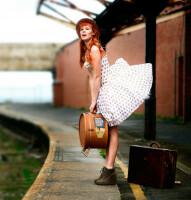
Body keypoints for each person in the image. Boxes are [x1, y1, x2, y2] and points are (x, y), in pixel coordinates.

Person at [76, 18, 152, 185]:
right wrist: (92, 101)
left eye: (87, 29)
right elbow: (91, 79)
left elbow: (98, 77)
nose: (83, 32)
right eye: (81, 29)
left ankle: (109, 171)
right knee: (107, 131)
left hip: (109, 90)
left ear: (93, 32)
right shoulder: (86, 51)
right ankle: (108, 169)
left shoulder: (95, 49)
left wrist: (95, 99)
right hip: (102, 92)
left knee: (112, 130)